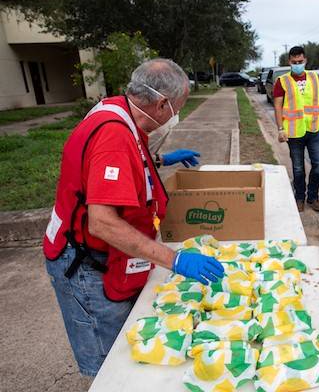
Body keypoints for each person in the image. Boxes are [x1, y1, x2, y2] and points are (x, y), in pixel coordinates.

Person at [43, 58, 225, 377]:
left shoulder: (120, 112)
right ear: (162, 103)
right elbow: (102, 222)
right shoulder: (113, 136)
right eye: (176, 109)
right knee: (112, 365)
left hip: (97, 253)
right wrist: (175, 260)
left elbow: (120, 163)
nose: (175, 117)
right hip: (85, 263)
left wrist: (162, 159)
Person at [274, 46, 319, 212]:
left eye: (300, 62)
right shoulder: (282, 81)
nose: (298, 64)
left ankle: (313, 197)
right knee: (298, 168)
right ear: (289, 62)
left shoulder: (314, 78)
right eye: (294, 62)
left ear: (305, 60)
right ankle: (300, 197)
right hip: (293, 133)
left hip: (315, 129)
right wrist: (280, 128)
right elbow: (278, 106)